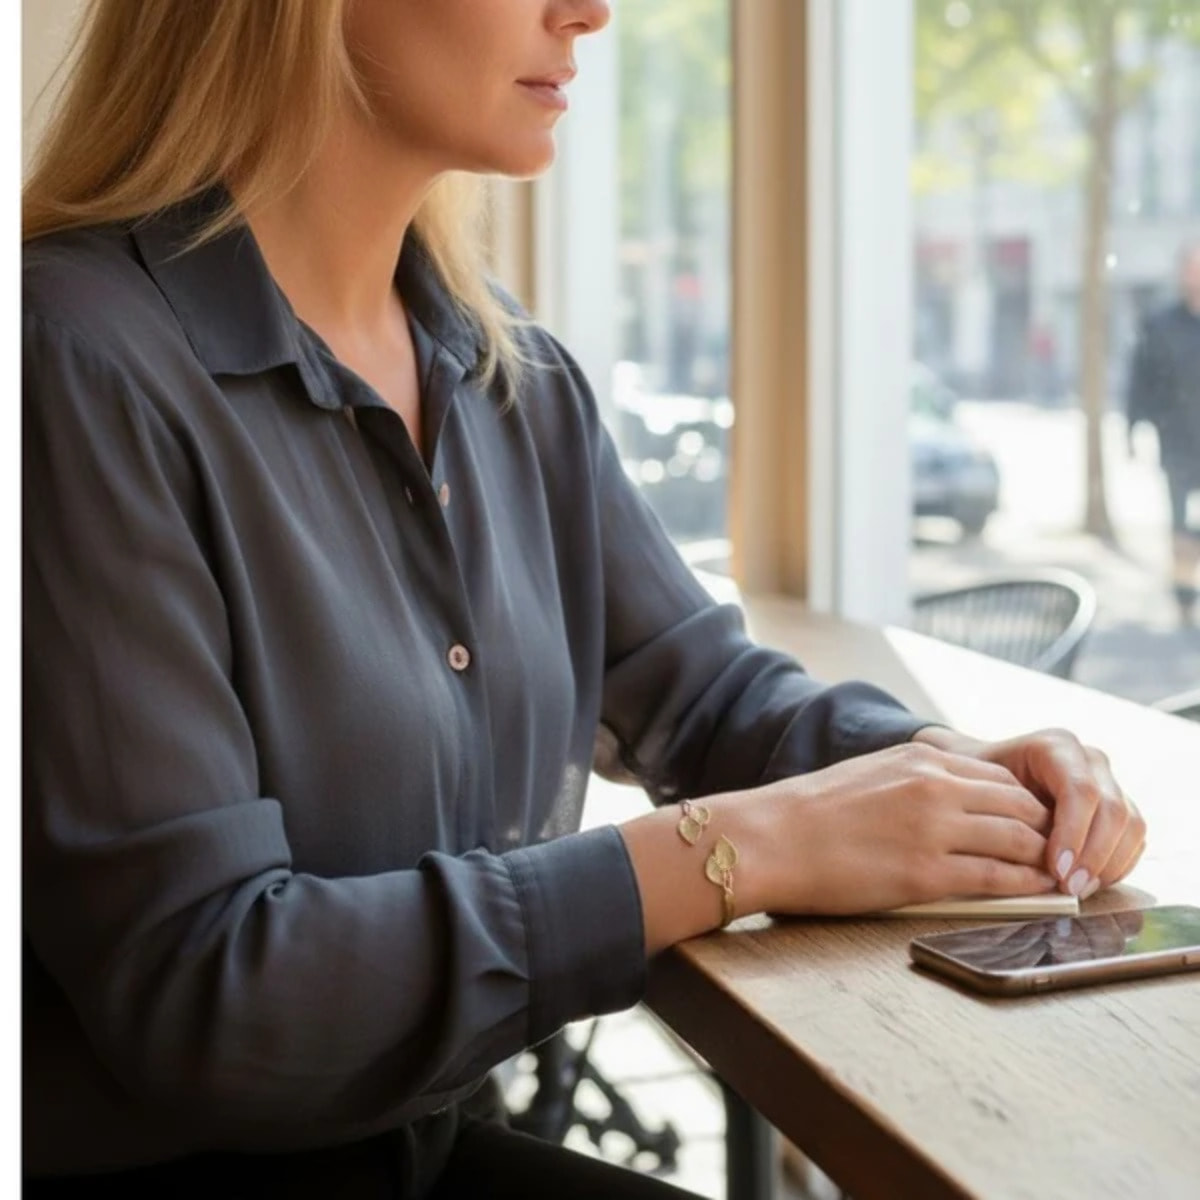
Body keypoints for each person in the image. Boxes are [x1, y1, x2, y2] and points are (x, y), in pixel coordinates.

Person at [22, 2, 1144, 1196]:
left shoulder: (517, 381)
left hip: (429, 1150)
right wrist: (732, 853)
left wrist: (963, 777)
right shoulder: (68, 361)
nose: (590, 10)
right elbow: (211, 995)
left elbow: (706, 696)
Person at [1127, 241, 1200, 623]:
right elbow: (1140, 379)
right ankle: (1184, 597)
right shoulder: (1161, 325)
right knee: (1179, 524)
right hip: (1177, 442)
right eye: (1191, 267)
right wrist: (1133, 428)